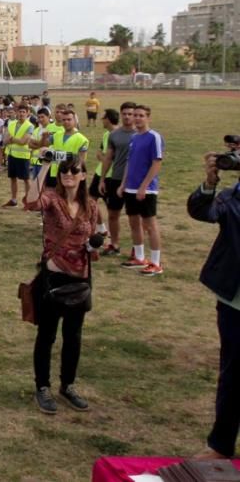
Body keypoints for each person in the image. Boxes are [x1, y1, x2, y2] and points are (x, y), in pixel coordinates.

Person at [25, 157, 98, 415]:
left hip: (80, 279)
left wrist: (94, 245)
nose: (68, 174)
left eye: (73, 170)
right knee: (47, 335)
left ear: (83, 175)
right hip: (53, 279)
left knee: (73, 337)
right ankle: (42, 387)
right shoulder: (52, 200)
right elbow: (31, 202)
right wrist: (44, 167)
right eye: (64, 170)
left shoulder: (91, 205)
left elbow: (93, 240)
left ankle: (68, 385)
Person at [188, 152, 240, 459]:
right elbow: (201, 211)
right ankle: (220, 444)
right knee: (233, 373)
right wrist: (210, 181)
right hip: (234, 300)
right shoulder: (231, 196)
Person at [118, 104, 164, 276]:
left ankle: (156, 262)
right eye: (135, 115)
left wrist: (144, 186)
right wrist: (123, 184)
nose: (137, 118)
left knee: (150, 225)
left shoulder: (154, 137)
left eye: (141, 115)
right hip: (130, 188)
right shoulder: (134, 137)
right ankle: (139, 257)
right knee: (133, 223)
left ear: (148, 117)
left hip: (147, 190)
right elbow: (129, 163)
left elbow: (156, 163)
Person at [98, 102, 136, 257]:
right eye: (124, 113)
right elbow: (108, 158)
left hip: (134, 182)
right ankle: (114, 244)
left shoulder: (140, 135)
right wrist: (102, 180)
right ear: (120, 115)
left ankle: (136, 249)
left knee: (135, 218)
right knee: (113, 214)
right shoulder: (114, 135)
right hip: (115, 178)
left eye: (130, 114)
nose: (127, 116)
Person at [3, 104, 34, 207]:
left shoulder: (30, 126)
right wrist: (11, 140)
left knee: (26, 179)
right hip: (12, 155)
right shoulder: (11, 124)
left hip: (23, 156)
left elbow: (23, 141)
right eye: (20, 112)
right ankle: (13, 199)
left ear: (27, 113)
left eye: (23, 112)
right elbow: (5, 140)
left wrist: (12, 139)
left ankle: (29, 201)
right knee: (13, 178)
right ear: (17, 112)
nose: (21, 114)